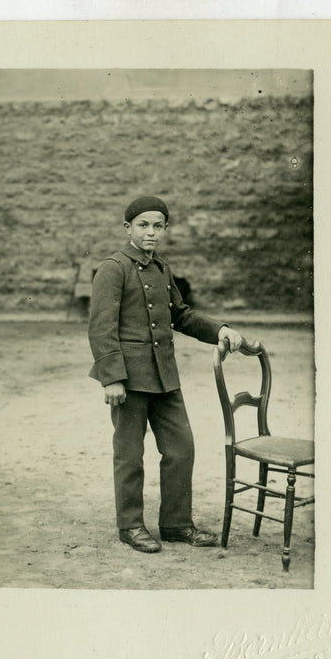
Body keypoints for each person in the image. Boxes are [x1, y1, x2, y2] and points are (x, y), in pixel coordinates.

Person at [88, 196, 242, 553]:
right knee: (129, 455)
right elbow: (101, 328)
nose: (151, 232)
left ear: (166, 229)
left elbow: (182, 315)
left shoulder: (162, 270)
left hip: (165, 378)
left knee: (181, 449)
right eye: (143, 225)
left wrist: (219, 329)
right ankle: (130, 526)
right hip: (129, 379)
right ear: (128, 228)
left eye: (158, 226)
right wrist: (111, 377)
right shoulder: (113, 268)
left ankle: (175, 525)